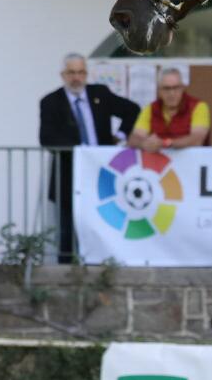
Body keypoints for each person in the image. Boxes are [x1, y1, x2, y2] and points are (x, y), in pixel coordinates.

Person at [38, 53, 140, 263]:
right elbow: (47, 138)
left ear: (86, 74)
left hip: (100, 174)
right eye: (71, 73)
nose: (76, 77)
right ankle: (68, 274)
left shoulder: (99, 94)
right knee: (67, 228)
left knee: (103, 222)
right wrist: (80, 151)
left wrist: (119, 137)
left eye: (81, 72)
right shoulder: (51, 102)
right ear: (63, 75)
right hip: (68, 176)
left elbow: (132, 110)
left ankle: (103, 266)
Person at [128, 67, 211, 151]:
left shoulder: (198, 107)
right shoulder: (151, 109)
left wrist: (166, 143)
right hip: (159, 163)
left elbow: (197, 140)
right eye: (166, 89)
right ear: (159, 90)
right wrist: (144, 143)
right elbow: (134, 138)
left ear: (183, 88)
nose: (172, 93)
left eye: (176, 88)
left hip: (194, 163)